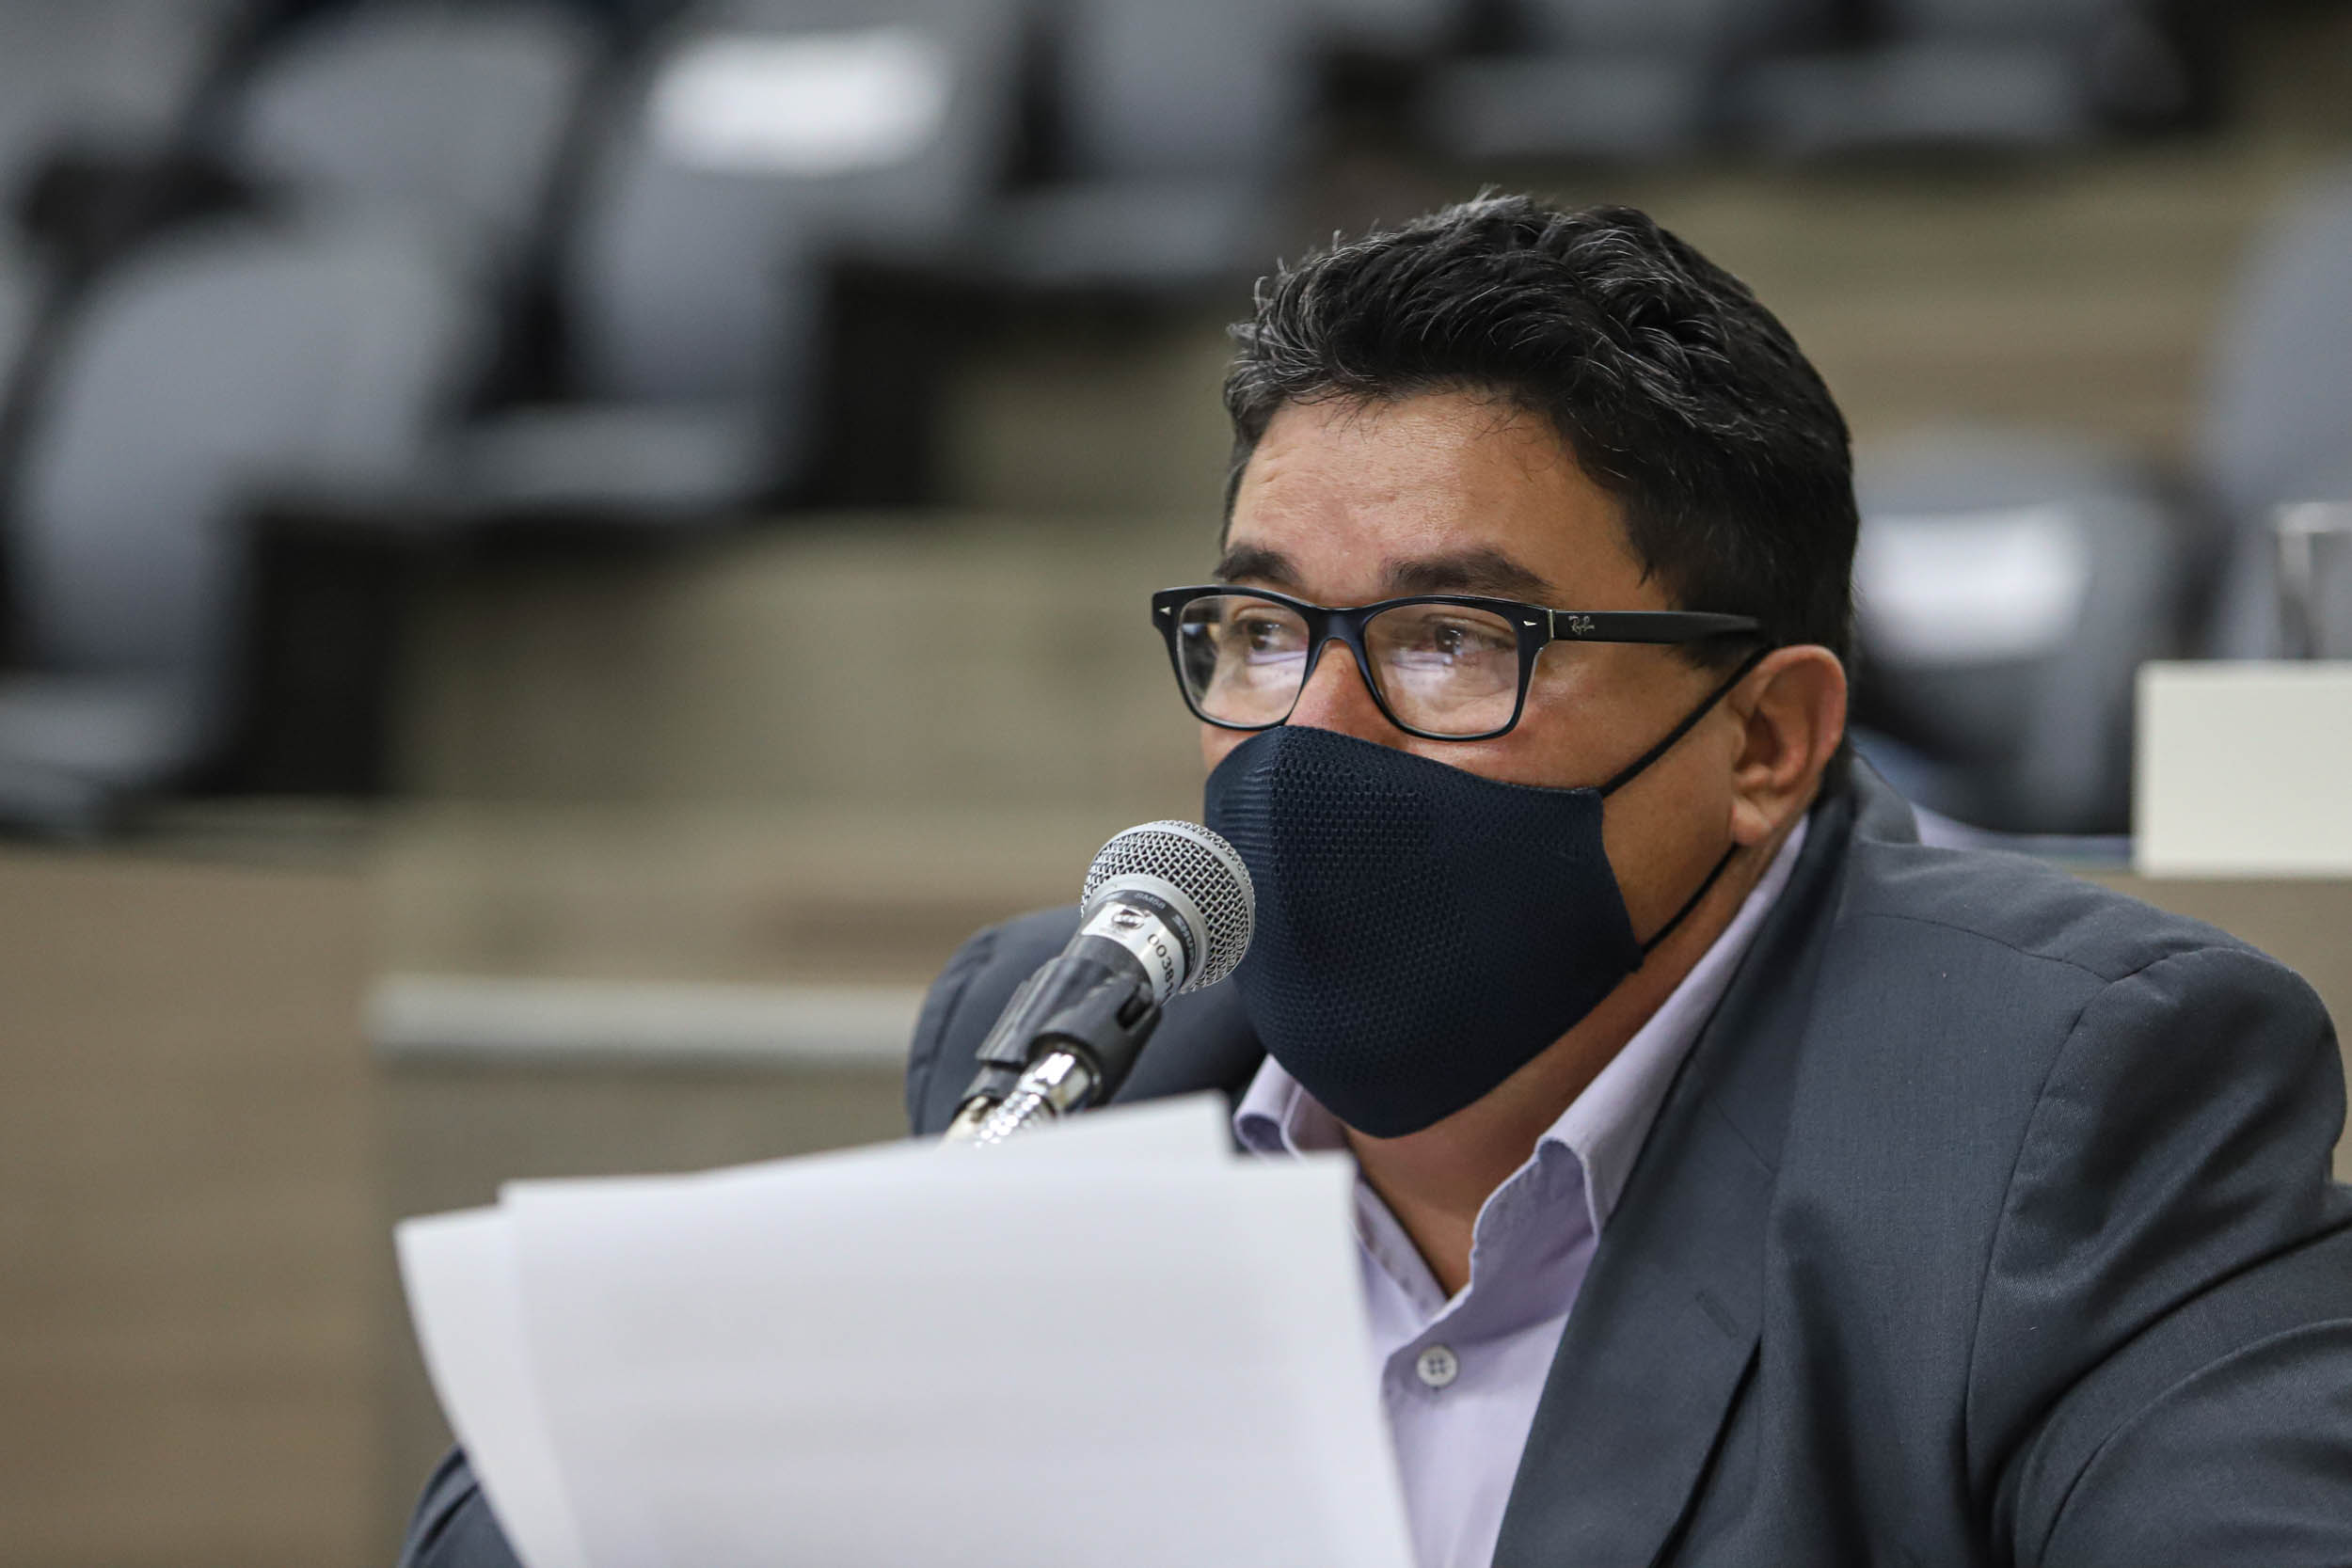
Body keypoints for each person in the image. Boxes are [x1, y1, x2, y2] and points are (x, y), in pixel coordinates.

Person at [401, 197, 2352, 1568]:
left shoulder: (2070, 1108)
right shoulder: (1084, 1049)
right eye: (1259, 632)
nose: (1308, 733)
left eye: (1445, 640)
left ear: (1764, 739)